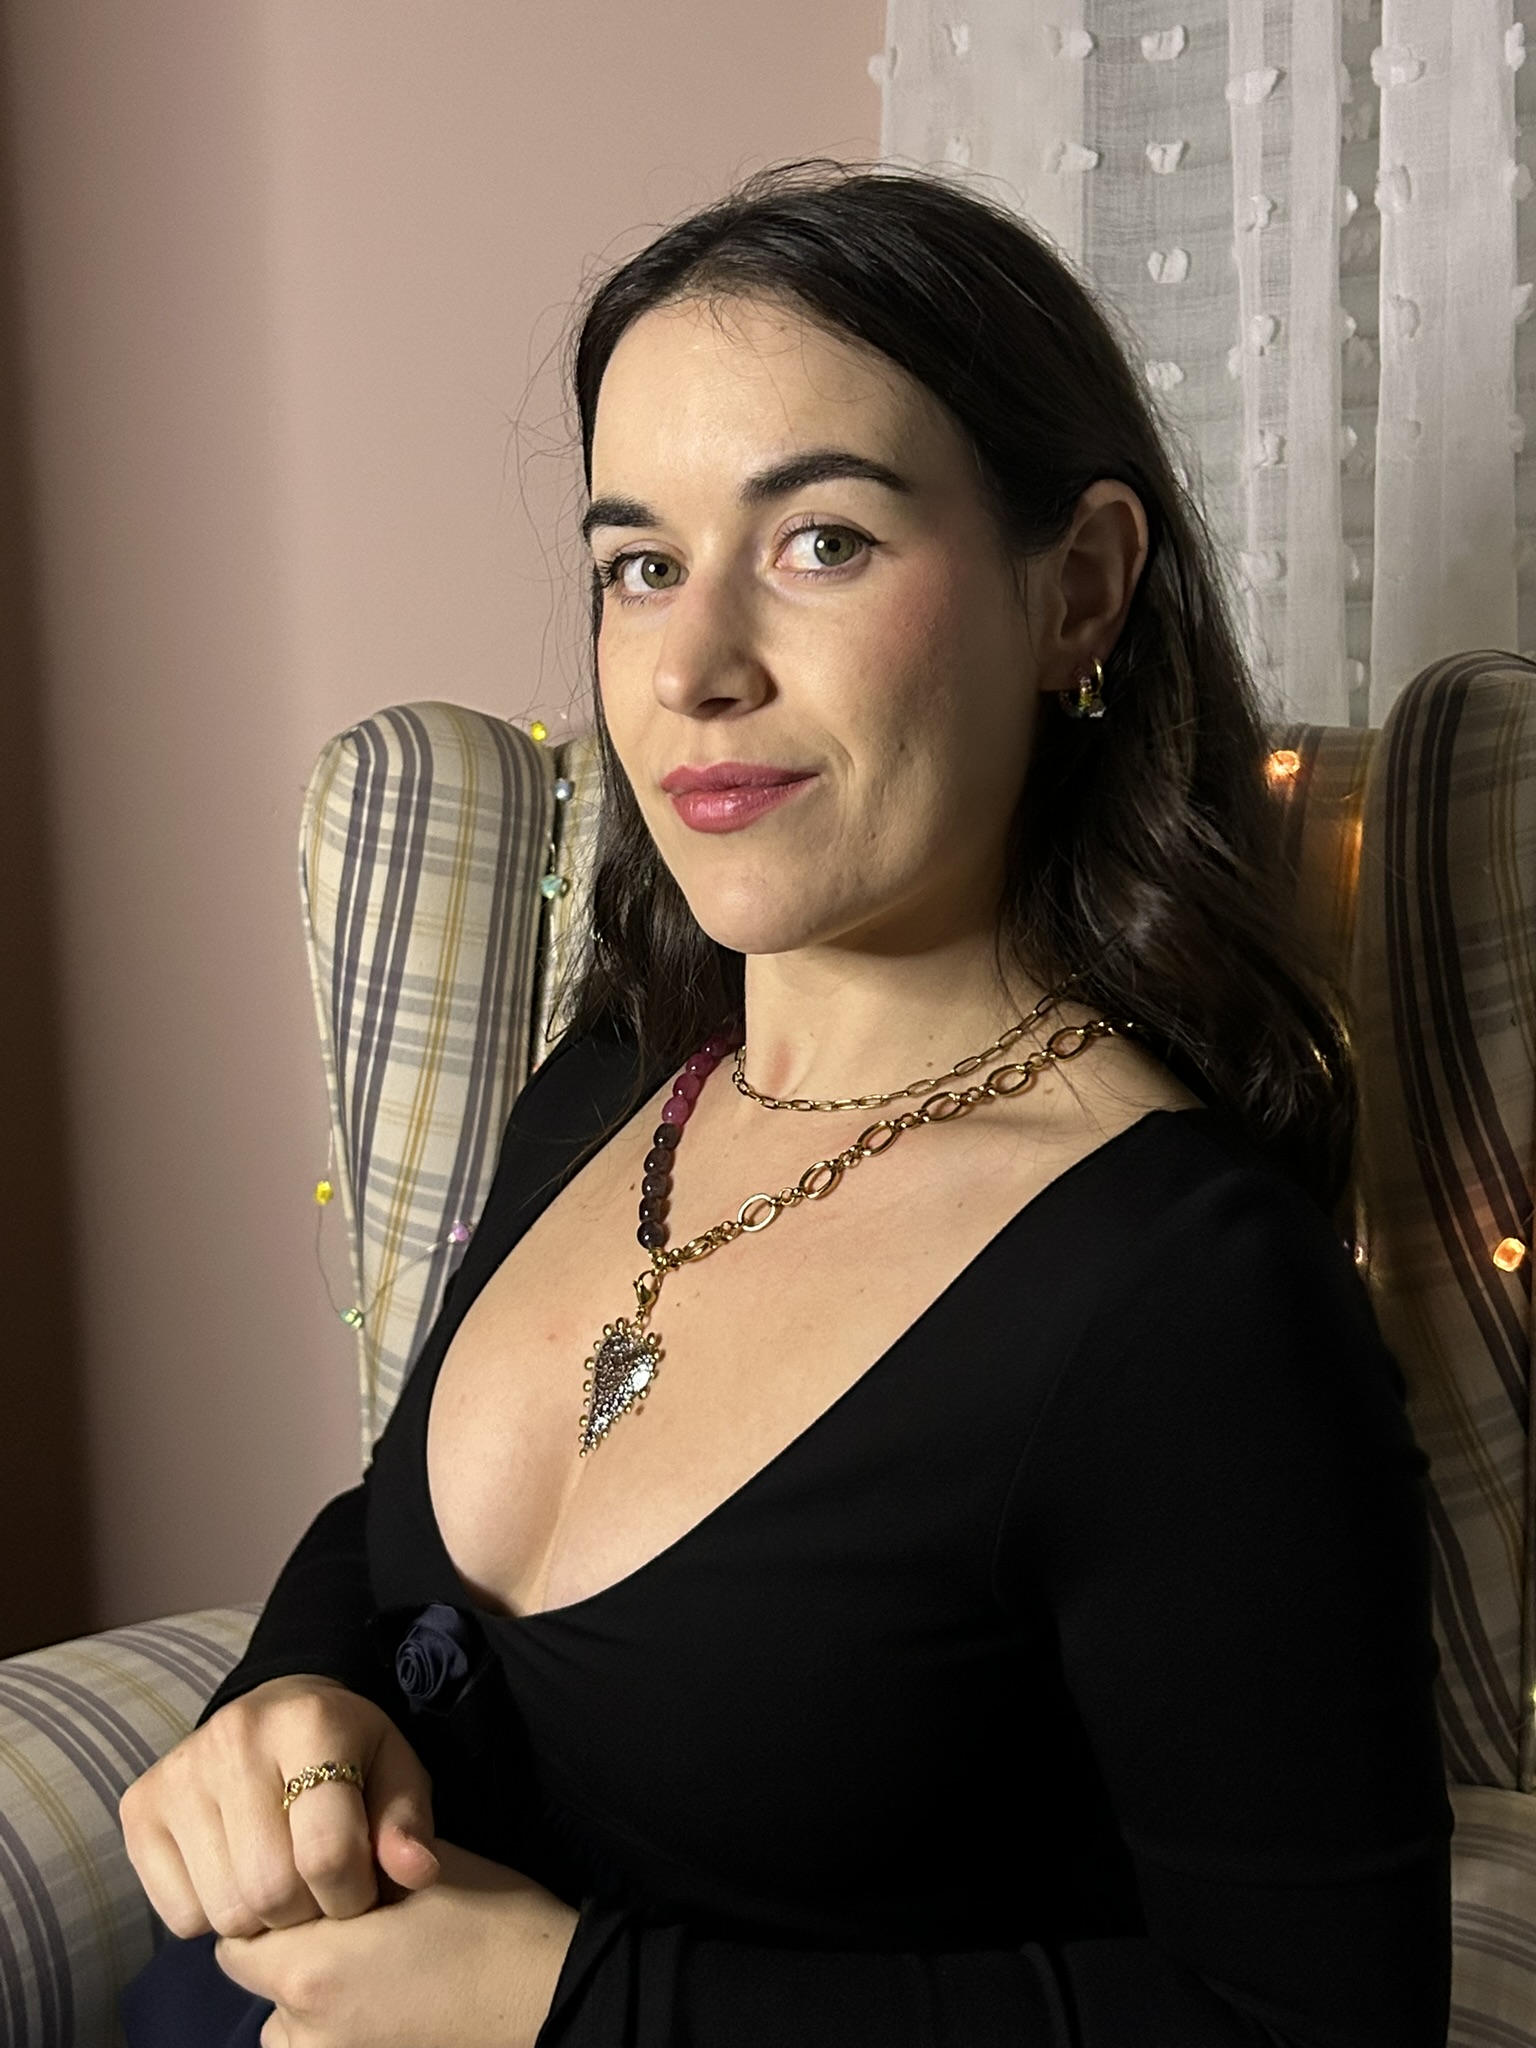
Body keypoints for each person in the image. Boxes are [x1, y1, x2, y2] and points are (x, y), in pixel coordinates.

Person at [118, 162, 1452, 2047]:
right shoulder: (611, 1082)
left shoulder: (1190, 1299)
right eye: (641, 565)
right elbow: (394, 1533)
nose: (691, 669)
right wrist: (289, 1702)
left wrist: (574, 2003)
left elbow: (1311, 2025)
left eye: (820, 541)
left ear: (1078, 589)